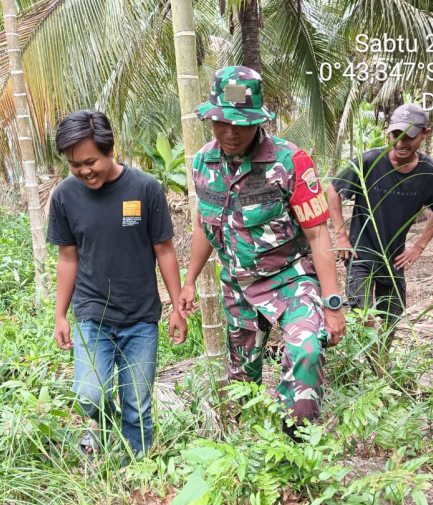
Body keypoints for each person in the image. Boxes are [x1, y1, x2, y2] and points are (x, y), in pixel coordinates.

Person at [178, 66, 346, 434]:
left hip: (291, 280)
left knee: (306, 352)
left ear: (259, 121)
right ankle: (251, 449)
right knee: (242, 380)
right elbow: (204, 226)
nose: (230, 132)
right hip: (238, 287)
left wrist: (333, 305)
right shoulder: (203, 163)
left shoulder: (290, 161)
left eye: (241, 123)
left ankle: (296, 450)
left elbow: (318, 236)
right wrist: (189, 280)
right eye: (221, 122)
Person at [47, 109, 187, 461]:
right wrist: (60, 314)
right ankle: (105, 430)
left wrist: (176, 307)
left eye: (90, 161)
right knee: (88, 395)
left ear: (110, 149)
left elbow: (165, 250)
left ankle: (135, 468)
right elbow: (67, 257)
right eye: (74, 164)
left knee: (137, 403)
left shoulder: (145, 189)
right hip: (93, 316)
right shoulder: (64, 196)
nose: (84, 171)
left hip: (140, 318)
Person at [326, 103, 433, 369]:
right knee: (363, 312)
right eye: (397, 135)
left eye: (409, 136)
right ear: (389, 133)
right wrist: (340, 235)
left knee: (392, 315)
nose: (402, 142)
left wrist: (418, 247)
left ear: (425, 134)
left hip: (393, 259)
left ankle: (379, 363)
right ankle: (374, 367)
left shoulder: (430, 172)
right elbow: (333, 190)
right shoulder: (369, 161)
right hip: (360, 254)